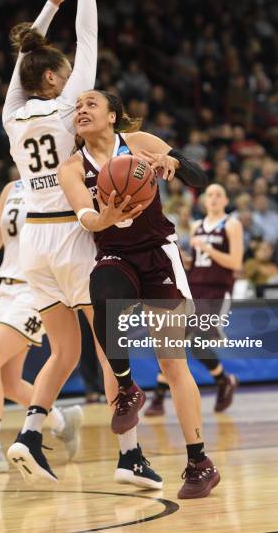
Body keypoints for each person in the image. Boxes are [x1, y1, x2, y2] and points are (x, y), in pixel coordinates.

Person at [3, 0, 160, 489]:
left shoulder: (12, 115)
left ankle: (28, 435)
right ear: (52, 80)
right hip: (73, 235)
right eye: (64, 73)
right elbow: (89, 38)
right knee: (108, 348)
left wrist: (48, 6)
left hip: (32, 249)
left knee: (63, 354)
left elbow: (20, 68)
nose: (74, 78)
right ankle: (130, 455)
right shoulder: (71, 108)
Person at [58, 89, 220, 500]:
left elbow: (200, 177)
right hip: (115, 253)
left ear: (113, 116)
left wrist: (173, 162)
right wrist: (104, 216)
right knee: (103, 293)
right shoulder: (72, 167)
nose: (81, 110)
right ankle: (128, 386)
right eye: (77, 107)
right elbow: (87, 218)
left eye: (91, 104)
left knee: (173, 363)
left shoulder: (141, 143)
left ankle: (199, 461)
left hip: (159, 255)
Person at [0, 181, 83, 475]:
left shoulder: (60, 184)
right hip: (7, 292)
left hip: (34, 292)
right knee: (9, 383)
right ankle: (63, 422)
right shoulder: (11, 188)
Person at [145, 183, 243, 416]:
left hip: (217, 290)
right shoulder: (197, 225)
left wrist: (208, 249)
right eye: (210, 195)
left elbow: (236, 264)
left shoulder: (231, 224)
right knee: (174, 340)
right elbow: (194, 262)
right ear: (204, 201)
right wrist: (182, 256)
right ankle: (221, 381)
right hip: (193, 287)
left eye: (219, 194)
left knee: (198, 340)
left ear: (226, 200)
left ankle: (220, 381)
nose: (214, 198)